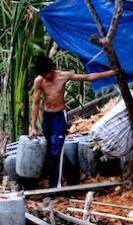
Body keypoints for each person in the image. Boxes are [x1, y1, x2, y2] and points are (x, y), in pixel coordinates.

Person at [29, 55, 116, 188]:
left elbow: (88, 77)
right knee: (52, 150)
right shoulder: (39, 81)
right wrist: (33, 126)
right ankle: (74, 177)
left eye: (48, 74)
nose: (47, 77)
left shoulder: (63, 76)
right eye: (43, 75)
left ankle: (55, 185)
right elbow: (35, 103)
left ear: (52, 69)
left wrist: (111, 72)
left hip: (59, 116)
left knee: (55, 148)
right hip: (47, 117)